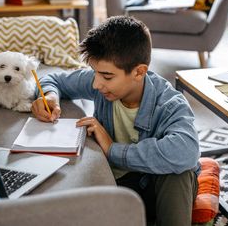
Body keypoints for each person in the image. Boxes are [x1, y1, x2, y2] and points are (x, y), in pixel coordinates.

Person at [31, 16, 199, 226]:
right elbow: (53, 79)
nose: (96, 84)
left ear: (139, 72)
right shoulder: (100, 79)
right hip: (117, 184)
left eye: (107, 77)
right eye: (95, 73)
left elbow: (187, 152)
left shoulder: (170, 104)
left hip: (156, 188)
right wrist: (50, 96)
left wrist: (112, 149)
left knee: (178, 172)